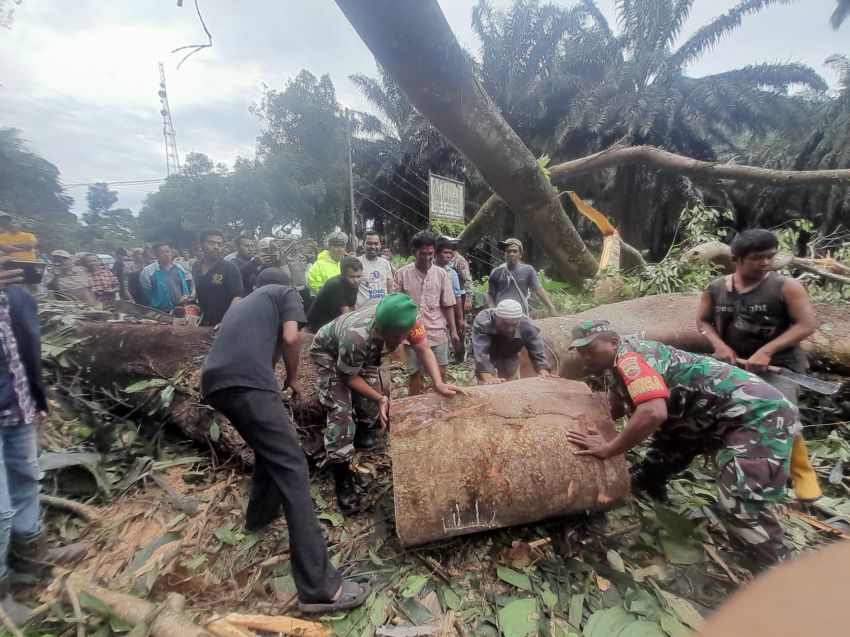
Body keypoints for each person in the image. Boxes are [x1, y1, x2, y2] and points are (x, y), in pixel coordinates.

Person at [201, 267, 369, 614]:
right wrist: (292, 377)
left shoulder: (244, 305)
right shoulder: (284, 292)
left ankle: (258, 516)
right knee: (293, 465)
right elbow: (292, 338)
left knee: (273, 451)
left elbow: (269, 346)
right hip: (248, 380)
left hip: (214, 382)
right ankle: (320, 588)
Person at [566, 319, 797, 565]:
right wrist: (588, 425)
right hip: (702, 418)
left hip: (755, 416)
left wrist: (610, 448)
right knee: (657, 462)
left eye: (590, 350)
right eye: (581, 352)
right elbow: (616, 406)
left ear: (613, 342)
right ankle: (652, 482)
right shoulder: (617, 364)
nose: (586, 357)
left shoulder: (630, 359)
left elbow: (653, 413)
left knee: (741, 504)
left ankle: (777, 568)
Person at [310, 293, 470, 514]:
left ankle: (365, 434)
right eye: (390, 336)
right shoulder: (356, 336)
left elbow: (423, 348)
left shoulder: (409, 317)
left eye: (398, 337)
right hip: (330, 353)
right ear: (381, 327)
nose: (396, 343)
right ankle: (342, 476)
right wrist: (380, 398)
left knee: (371, 406)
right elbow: (349, 377)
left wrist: (439, 383)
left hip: (363, 355)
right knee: (341, 413)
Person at [696, 228, 821, 503]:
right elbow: (703, 321)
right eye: (757, 258)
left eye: (770, 257)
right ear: (736, 258)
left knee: (783, 414)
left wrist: (767, 350)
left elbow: (806, 325)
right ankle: (745, 470)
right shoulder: (716, 289)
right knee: (731, 416)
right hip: (736, 366)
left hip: (780, 365)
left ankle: (802, 473)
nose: (765, 263)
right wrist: (718, 345)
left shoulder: (785, 287)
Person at [0, 259, 87, 625]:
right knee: (0, 507)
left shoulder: (17, 296)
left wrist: (37, 396)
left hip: (16, 407)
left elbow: (26, 349)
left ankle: (32, 554)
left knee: (26, 479)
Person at [393, 231, 460, 395]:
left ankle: (440, 403)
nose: (427, 257)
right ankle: (416, 404)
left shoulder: (441, 274)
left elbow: (447, 304)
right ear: (413, 252)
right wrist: (397, 339)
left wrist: (453, 330)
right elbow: (395, 306)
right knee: (415, 375)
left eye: (430, 253)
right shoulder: (402, 274)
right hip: (410, 335)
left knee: (441, 372)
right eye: (422, 253)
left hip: (436, 332)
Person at [472, 299, 551, 383]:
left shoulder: (528, 326)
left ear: (520, 320)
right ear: (495, 317)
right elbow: (481, 351)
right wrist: (487, 375)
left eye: (514, 324)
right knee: (487, 380)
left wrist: (543, 371)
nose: (509, 329)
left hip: (510, 353)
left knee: (509, 379)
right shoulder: (483, 321)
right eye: (505, 324)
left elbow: (537, 351)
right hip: (489, 350)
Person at [487, 238, 557, 317]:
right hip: (501, 315)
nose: (511, 254)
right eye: (508, 251)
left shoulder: (528, 270)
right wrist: (492, 309)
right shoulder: (496, 272)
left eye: (515, 251)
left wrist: (551, 308)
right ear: (504, 254)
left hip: (520, 315)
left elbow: (539, 289)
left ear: (520, 255)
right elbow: (489, 294)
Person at [192, 229, 244, 327]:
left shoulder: (230, 268)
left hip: (224, 322)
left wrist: (228, 320)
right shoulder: (196, 266)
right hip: (203, 321)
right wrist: (191, 297)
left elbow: (238, 296)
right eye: (211, 243)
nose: (216, 247)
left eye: (219, 244)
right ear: (201, 245)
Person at [306, 257, 362, 333]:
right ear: (342, 275)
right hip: (318, 323)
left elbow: (352, 308)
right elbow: (346, 315)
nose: (356, 280)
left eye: (359, 276)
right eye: (351, 276)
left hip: (333, 319)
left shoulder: (354, 284)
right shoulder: (336, 284)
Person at [434, 237, 464, 359]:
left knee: (451, 337)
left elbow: (457, 296)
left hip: (448, 312)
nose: (448, 256)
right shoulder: (428, 270)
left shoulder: (452, 273)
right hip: (433, 312)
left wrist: (460, 318)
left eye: (450, 253)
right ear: (436, 253)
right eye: (445, 252)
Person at [139, 243, 190, 312]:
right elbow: (146, 293)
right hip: (160, 311)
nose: (166, 254)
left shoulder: (179, 267)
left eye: (168, 251)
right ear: (155, 255)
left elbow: (184, 286)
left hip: (181, 308)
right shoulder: (148, 271)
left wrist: (186, 297)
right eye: (162, 252)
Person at [356, 230, 395, 308]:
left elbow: (390, 288)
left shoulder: (385, 263)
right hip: (362, 311)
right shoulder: (357, 262)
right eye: (369, 243)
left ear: (380, 245)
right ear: (363, 244)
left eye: (376, 244)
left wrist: (391, 306)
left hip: (383, 310)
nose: (373, 247)